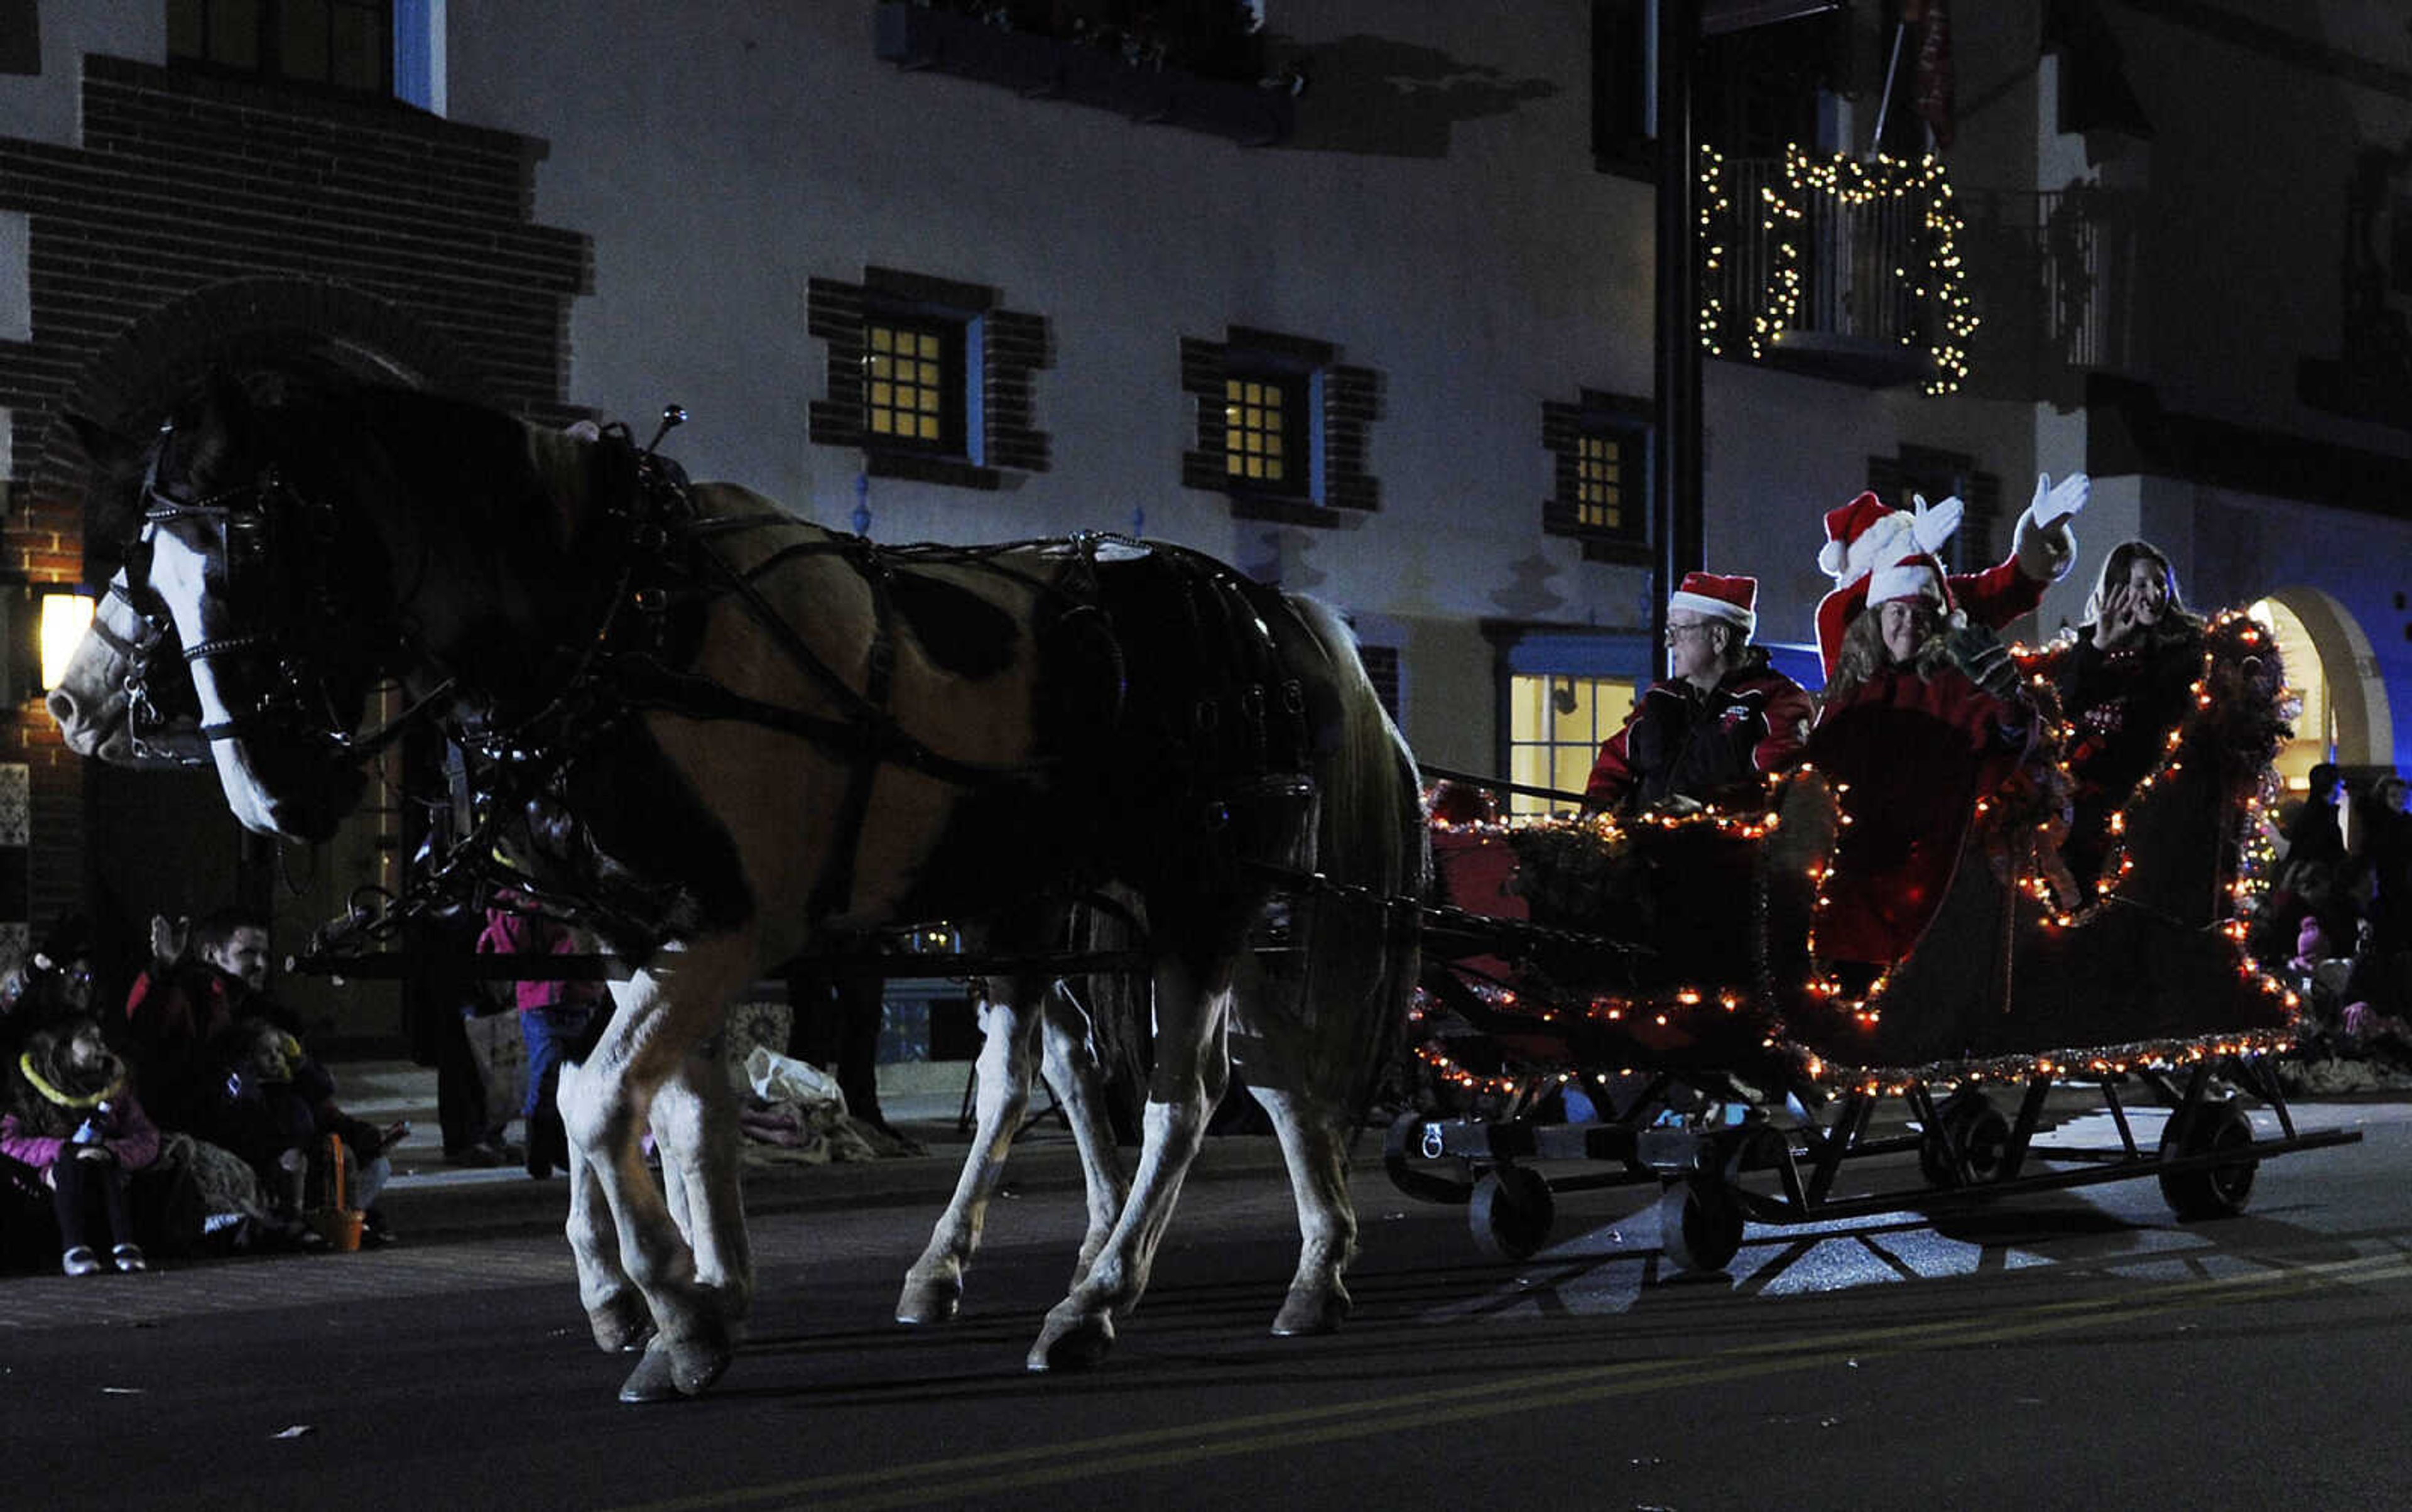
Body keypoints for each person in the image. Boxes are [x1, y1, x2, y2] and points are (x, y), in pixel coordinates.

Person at [1805, 544, 2040, 976]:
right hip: (1846, 866)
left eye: (1920, 613)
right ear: (1878, 617)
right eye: (1897, 612)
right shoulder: (1853, 680)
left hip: (1919, 866)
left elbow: (2001, 746)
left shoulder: (1955, 682)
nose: (1908, 624)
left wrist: (2010, 702)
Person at [123, 908, 401, 1242]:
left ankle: (325, 1220)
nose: (260, 964)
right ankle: (288, 1223)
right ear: (213, 954)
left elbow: (305, 1088)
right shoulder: (192, 995)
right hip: (213, 1132)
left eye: (264, 955)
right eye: (247, 953)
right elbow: (150, 1024)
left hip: (274, 1137)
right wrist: (163, 969)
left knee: (369, 1162)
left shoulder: (263, 1010)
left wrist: (359, 1133)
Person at [1811, 471, 2089, 682]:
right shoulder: (1840, 611)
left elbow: (2005, 590)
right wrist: (1908, 551)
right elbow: (1850, 677)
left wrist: (2040, 536)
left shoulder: (1943, 600)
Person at [1583, 572, 1813, 813]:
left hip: (1728, 850)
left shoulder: (1776, 699)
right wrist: (1597, 807)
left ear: (1718, 637)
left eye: (1678, 630)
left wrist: (1706, 809)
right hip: (1648, 847)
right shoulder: (1663, 699)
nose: (1669, 643)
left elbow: (1782, 787)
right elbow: (1615, 760)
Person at [2051, 541, 2208, 886]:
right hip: (2084, 790)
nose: (2154, 594)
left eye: (2160, 583)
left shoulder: (2185, 649)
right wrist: (2100, 648)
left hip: (2147, 794)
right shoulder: (2091, 641)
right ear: (2118, 588)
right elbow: (2066, 702)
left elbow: (2159, 709)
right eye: (2141, 584)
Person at [2, 1016, 162, 1275]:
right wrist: (64, 1149)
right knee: (70, 1165)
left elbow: (146, 1136)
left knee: (101, 1164)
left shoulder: (115, 1091)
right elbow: (8, 1141)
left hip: (107, 1172)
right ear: (62, 1047)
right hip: (52, 1179)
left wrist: (112, 1151)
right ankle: (74, 1247)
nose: (102, 1047)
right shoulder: (30, 1095)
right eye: (90, 1039)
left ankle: (125, 1244)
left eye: (102, 1039)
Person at [478, 895, 609, 1180]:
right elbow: (514, 943)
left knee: (570, 1079)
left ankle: (556, 1150)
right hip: (547, 997)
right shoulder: (517, 902)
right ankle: (541, 1151)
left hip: (575, 995)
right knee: (548, 1076)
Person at [0, 915, 100, 1055]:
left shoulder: (92, 1028)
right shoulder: (31, 1015)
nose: (81, 983)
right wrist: (31, 971)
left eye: (87, 977)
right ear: (54, 977)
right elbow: (4, 1005)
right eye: (74, 974)